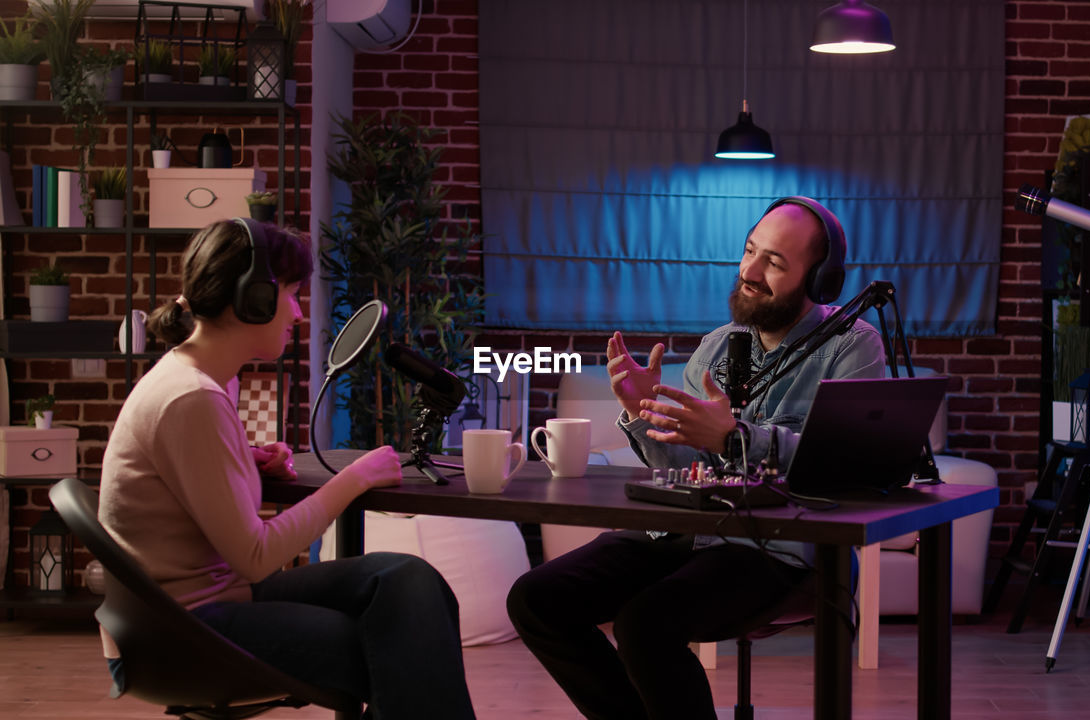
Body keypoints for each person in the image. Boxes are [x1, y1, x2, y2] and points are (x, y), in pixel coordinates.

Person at [507, 197, 886, 719]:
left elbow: (842, 463)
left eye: (774, 262)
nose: (750, 272)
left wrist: (734, 437)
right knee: (537, 600)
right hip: (685, 532)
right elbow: (681, 466)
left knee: (644, 623)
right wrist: (643, 413)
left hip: (781, 550)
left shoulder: (854, 345)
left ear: (819, 279)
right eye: (750, 252)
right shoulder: (715, 347)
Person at [97, 218, 476, 720]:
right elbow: (255, 555)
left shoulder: (198, 380)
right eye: (292, 293)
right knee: (401, 641)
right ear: (251, 298)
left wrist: (243, 459)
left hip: (208, 601)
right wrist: (354, 479)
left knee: (408, 581)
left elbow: (185, 479)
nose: (298, 312)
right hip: (177, 632)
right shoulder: (192, 398)